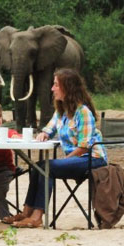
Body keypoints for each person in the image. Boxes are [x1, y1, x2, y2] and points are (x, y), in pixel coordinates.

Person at [10, 68, 108, 228]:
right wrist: (43, 134)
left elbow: (84, 147)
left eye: (56, 85)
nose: (52, 88)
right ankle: (26, 212)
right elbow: (49, 129)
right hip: (76, 159)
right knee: (37, 167)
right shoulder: (62, 112)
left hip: (92, 159)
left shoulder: (83, 113)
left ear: (67, 88)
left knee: (47, 167)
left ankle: (37, 216)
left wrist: (64, 160)